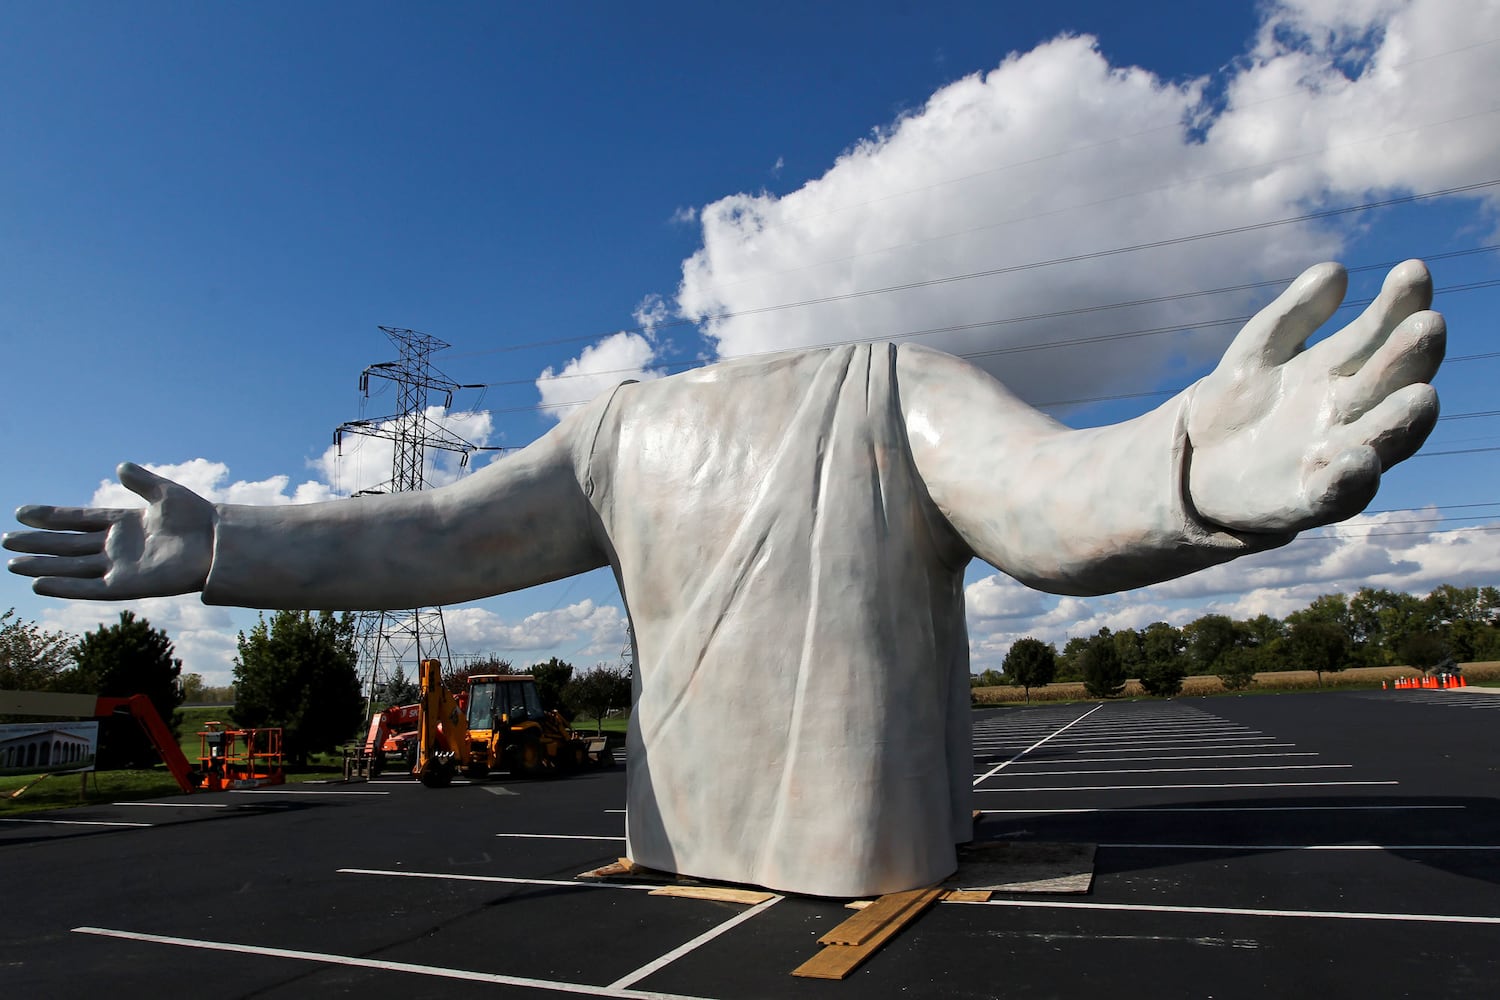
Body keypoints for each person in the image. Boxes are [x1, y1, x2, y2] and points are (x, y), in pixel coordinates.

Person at [5, 261, 1444, 896]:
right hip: (715, 839)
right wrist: (220, 546)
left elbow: (1052, 507)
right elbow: (438, 537)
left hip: (857, 841)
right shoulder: (627, 426)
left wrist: (1187, 465)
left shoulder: (888, 387)